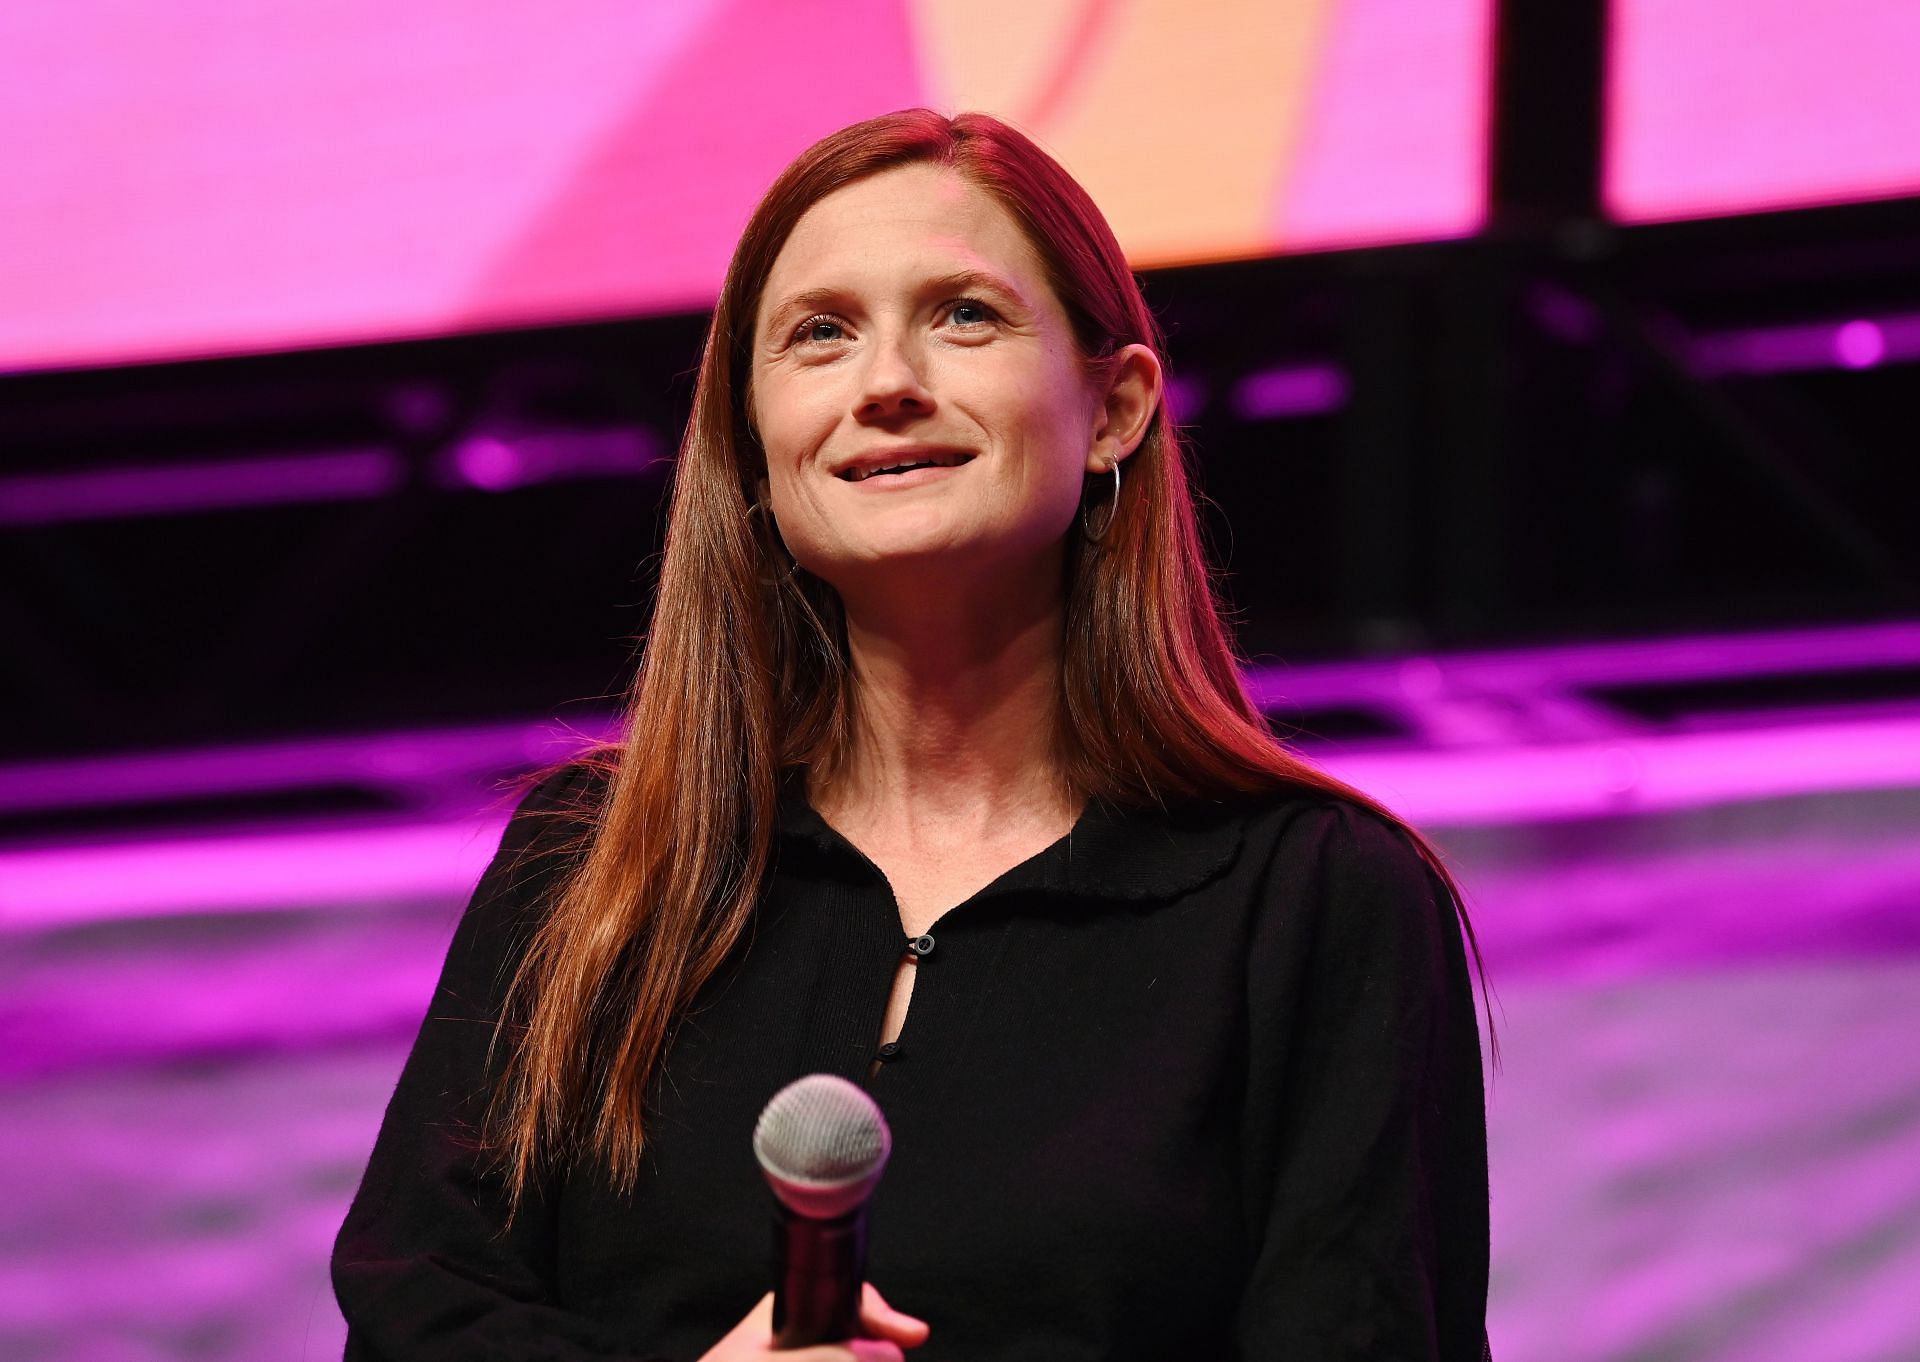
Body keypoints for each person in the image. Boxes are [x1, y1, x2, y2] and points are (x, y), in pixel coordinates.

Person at [332, 108, 1494, 1361]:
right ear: (752, 452)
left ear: (1115, 410)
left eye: (964, 316)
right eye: (820, 334)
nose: (887, 384)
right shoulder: (588, 872)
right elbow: (416, 1323)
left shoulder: (1319, 900)